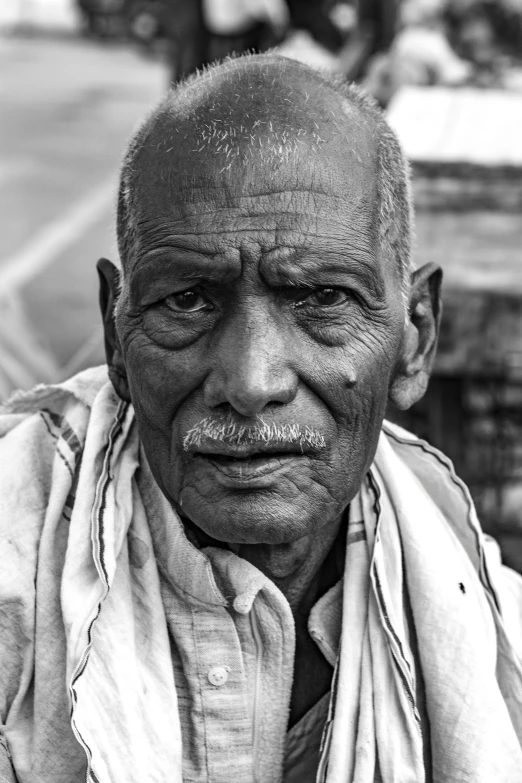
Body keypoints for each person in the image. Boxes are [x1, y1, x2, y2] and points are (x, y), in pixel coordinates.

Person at [1, 54, 522, 783]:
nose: (251, 382)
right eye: (187, 300)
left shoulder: (486, 620)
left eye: (322, 299)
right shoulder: (14, 560)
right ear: (116, 334)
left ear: (415, 337)